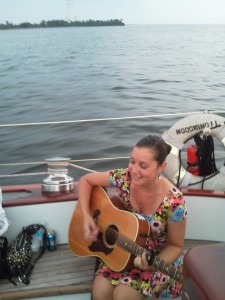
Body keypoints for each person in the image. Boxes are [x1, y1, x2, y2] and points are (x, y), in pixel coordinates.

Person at [78, 135, 187, 300]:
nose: (134, 170)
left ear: (161, 167)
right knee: (100, 293)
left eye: (143, 165)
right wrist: (86, 216)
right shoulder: (123, 179)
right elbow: (86, 181)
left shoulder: (174, 202)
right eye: (132, 161)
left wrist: (152, 265)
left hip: (154, 259)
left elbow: (175, 246)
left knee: (123, 296)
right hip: (119, 251)